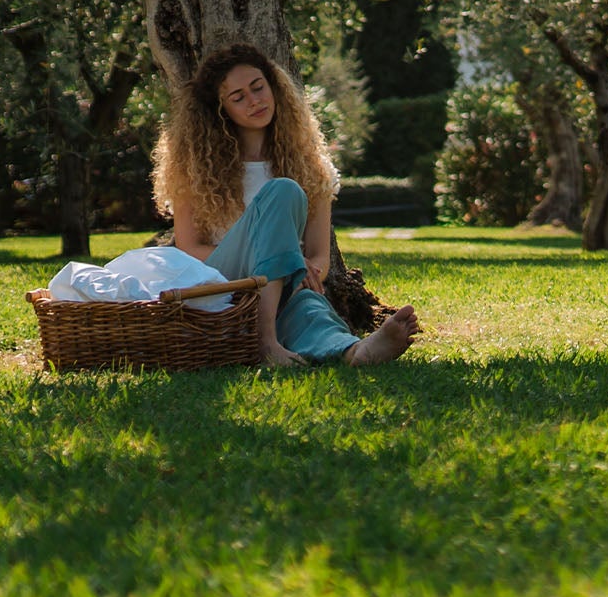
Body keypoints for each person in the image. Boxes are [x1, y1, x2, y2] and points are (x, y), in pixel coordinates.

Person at [152, 44, 420, 367]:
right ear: (220, 110)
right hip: (223, 278)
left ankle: (354, 352)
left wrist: (299, 267)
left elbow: (319, 255)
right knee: (283, 192)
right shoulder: (194, 167)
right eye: (238, 97)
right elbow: (189, 248)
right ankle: (266, 342)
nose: (254, 101)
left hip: (282, 286)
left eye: (258, 87)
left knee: (309, 309)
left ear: (273, 86)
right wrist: (266, 262)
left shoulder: (310, 165)